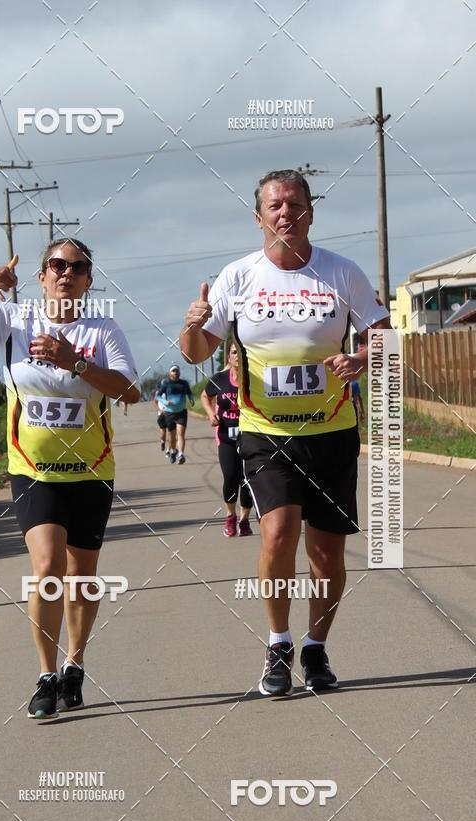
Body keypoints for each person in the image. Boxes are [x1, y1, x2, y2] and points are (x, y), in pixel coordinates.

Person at [180, 169, 390, 698]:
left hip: (333, 430)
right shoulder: (238, 277)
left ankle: (316, 647)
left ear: (310, 213)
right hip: (265, 431)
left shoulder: (342, 274)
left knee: (326, 554)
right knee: (277, 534)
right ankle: (278, 643)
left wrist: (362, 358)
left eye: (295, 204)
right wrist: (192, 321)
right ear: (258, 218)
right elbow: (196, 351)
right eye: (274, 206)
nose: (285, 214)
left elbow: (385, 339)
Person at [0, 238, 140, 719]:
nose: (65, 273)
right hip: (33, 470)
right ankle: (47, 675)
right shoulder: (13, 320)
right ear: (42, 276)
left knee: (82, 577)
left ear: (89, 281)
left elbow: (129, 390)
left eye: (77, 267)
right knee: (47, 567)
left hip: (91, 471)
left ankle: (76, 662)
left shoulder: (103, 329)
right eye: (55, 265)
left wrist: (76, 362)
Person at [201, 344, 253, 537]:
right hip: (226, 436)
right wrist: (209, 414)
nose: (237, 356)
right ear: (229, 358)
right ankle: (230, 516)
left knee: (248, 480)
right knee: (231, 476)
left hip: (251, 437)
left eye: (241, 353)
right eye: (233, 352)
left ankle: (245, 519)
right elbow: (205, 396)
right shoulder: (220, 379)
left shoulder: (253, 378)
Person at [156, 365, 194, 464]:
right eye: (173, 371)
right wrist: (165, 402)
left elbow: (189, 393)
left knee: (181, 433)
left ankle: (181, 454)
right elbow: (158, 396)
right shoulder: (166, 384)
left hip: (181, 412)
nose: (175, 373)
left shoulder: (184, 383)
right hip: (169, 413)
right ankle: (173, 451)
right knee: (171, 436)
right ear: (170, 373)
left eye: (177, 371)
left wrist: (191, 399)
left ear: (179, 372)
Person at [153, 382, 168, 453]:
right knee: (171, 431)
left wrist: (159, 410)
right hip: (169, 413)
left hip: (161, 414)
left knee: (163, 430)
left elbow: (155, 403)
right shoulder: (170, 392)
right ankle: (171, 448)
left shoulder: (157, 393)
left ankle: (162, 441)